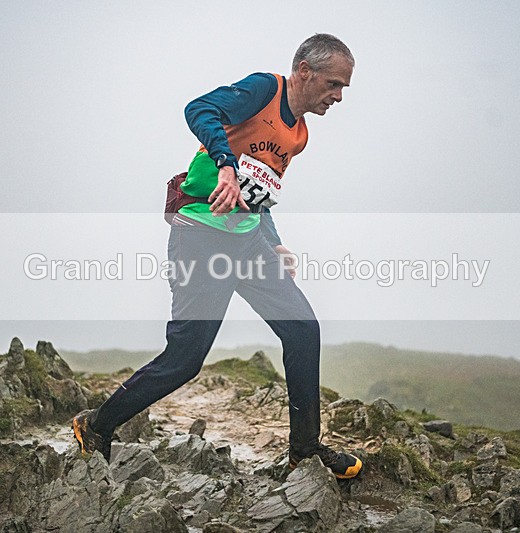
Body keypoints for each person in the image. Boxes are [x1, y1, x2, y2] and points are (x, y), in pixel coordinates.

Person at [72, 33, 362, 479]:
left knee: (303, 330)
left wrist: (274, 239)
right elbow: (198, 109)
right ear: (304, 70)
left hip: (247, 243)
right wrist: (225, 162)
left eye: (344, 87)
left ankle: (305, 450)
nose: (339, 97)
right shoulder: (265, 89)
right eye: (333, 84)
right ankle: (96, 426)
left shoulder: (299, 135)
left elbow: (258, 193)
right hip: (200, 239)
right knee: (185, 361)